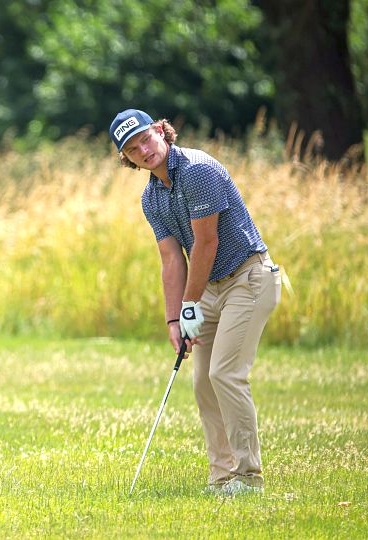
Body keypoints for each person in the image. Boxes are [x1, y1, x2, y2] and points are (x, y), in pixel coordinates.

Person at [110, 109, 281, 496]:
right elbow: (172, 259)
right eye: (133, 149)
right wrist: (175, 321)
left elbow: (207, 243)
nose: (144, 151)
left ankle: (248, 476)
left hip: (248, 278)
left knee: (225, 373)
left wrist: (190, 305)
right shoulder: (151, 198)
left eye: (146, 140)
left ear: (160, 131)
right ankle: (221, 479)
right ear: (127, 158)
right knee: (203, 381)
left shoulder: (198, 170)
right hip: (209, 290)